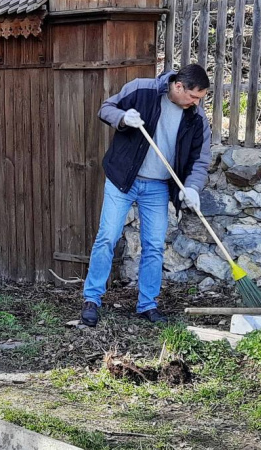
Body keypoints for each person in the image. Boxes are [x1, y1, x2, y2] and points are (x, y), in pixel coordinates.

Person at [80, 64, 212, 326]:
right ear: (178, 86)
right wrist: (122, 118)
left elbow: (200, 160)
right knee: (107, 237)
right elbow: (106, 109)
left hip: (158, 187)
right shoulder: (141, 89)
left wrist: (193, 187)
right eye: (193, 96)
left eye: (200, 98)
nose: (196, 103)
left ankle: (147, 305)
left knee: (153, 246)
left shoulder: (196, 119)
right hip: (123, 180)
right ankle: (92, 300)